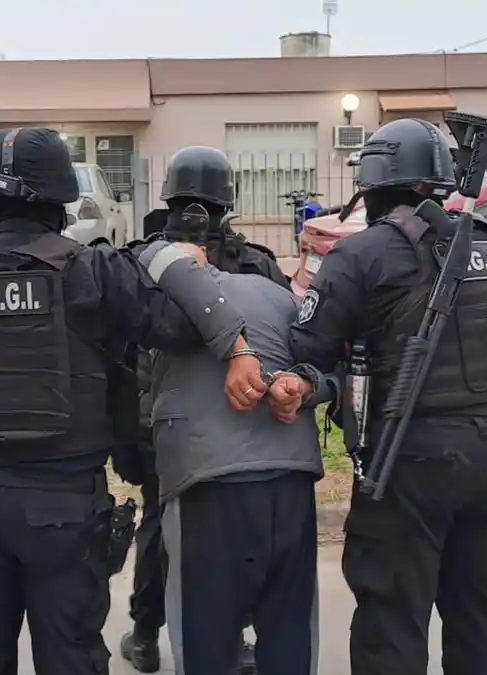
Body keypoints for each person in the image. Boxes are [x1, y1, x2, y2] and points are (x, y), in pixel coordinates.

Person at [0, 126, 268, 675]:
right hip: (63, 506)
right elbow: (179, 327)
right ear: (61, 197)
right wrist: (174, 261)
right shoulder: (94, 272)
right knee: (71, 659)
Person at [285, 117, 487, 675]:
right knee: (475, 611)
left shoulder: (363, 253)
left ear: (371, 184)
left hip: (413, 456)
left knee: (392, 620)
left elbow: (308, 343)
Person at [119, 145, 287, 675]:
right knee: (228, 538)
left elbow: (117, 351)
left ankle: (146, 635)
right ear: (227, 202)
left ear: (168, 196)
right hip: (236, 422)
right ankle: (229, 639)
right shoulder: (256, 263)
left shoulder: (141, 259)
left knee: (159, 526)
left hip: (160, 422)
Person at [132, 236, 329, 675]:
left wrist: (240, 351)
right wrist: (304, 386)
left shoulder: (161, 286)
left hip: (207, 485)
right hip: (289, 479)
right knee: (290, 631)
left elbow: (158, 257)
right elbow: (326, 361)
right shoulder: (273, 292)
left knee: (205, 639)